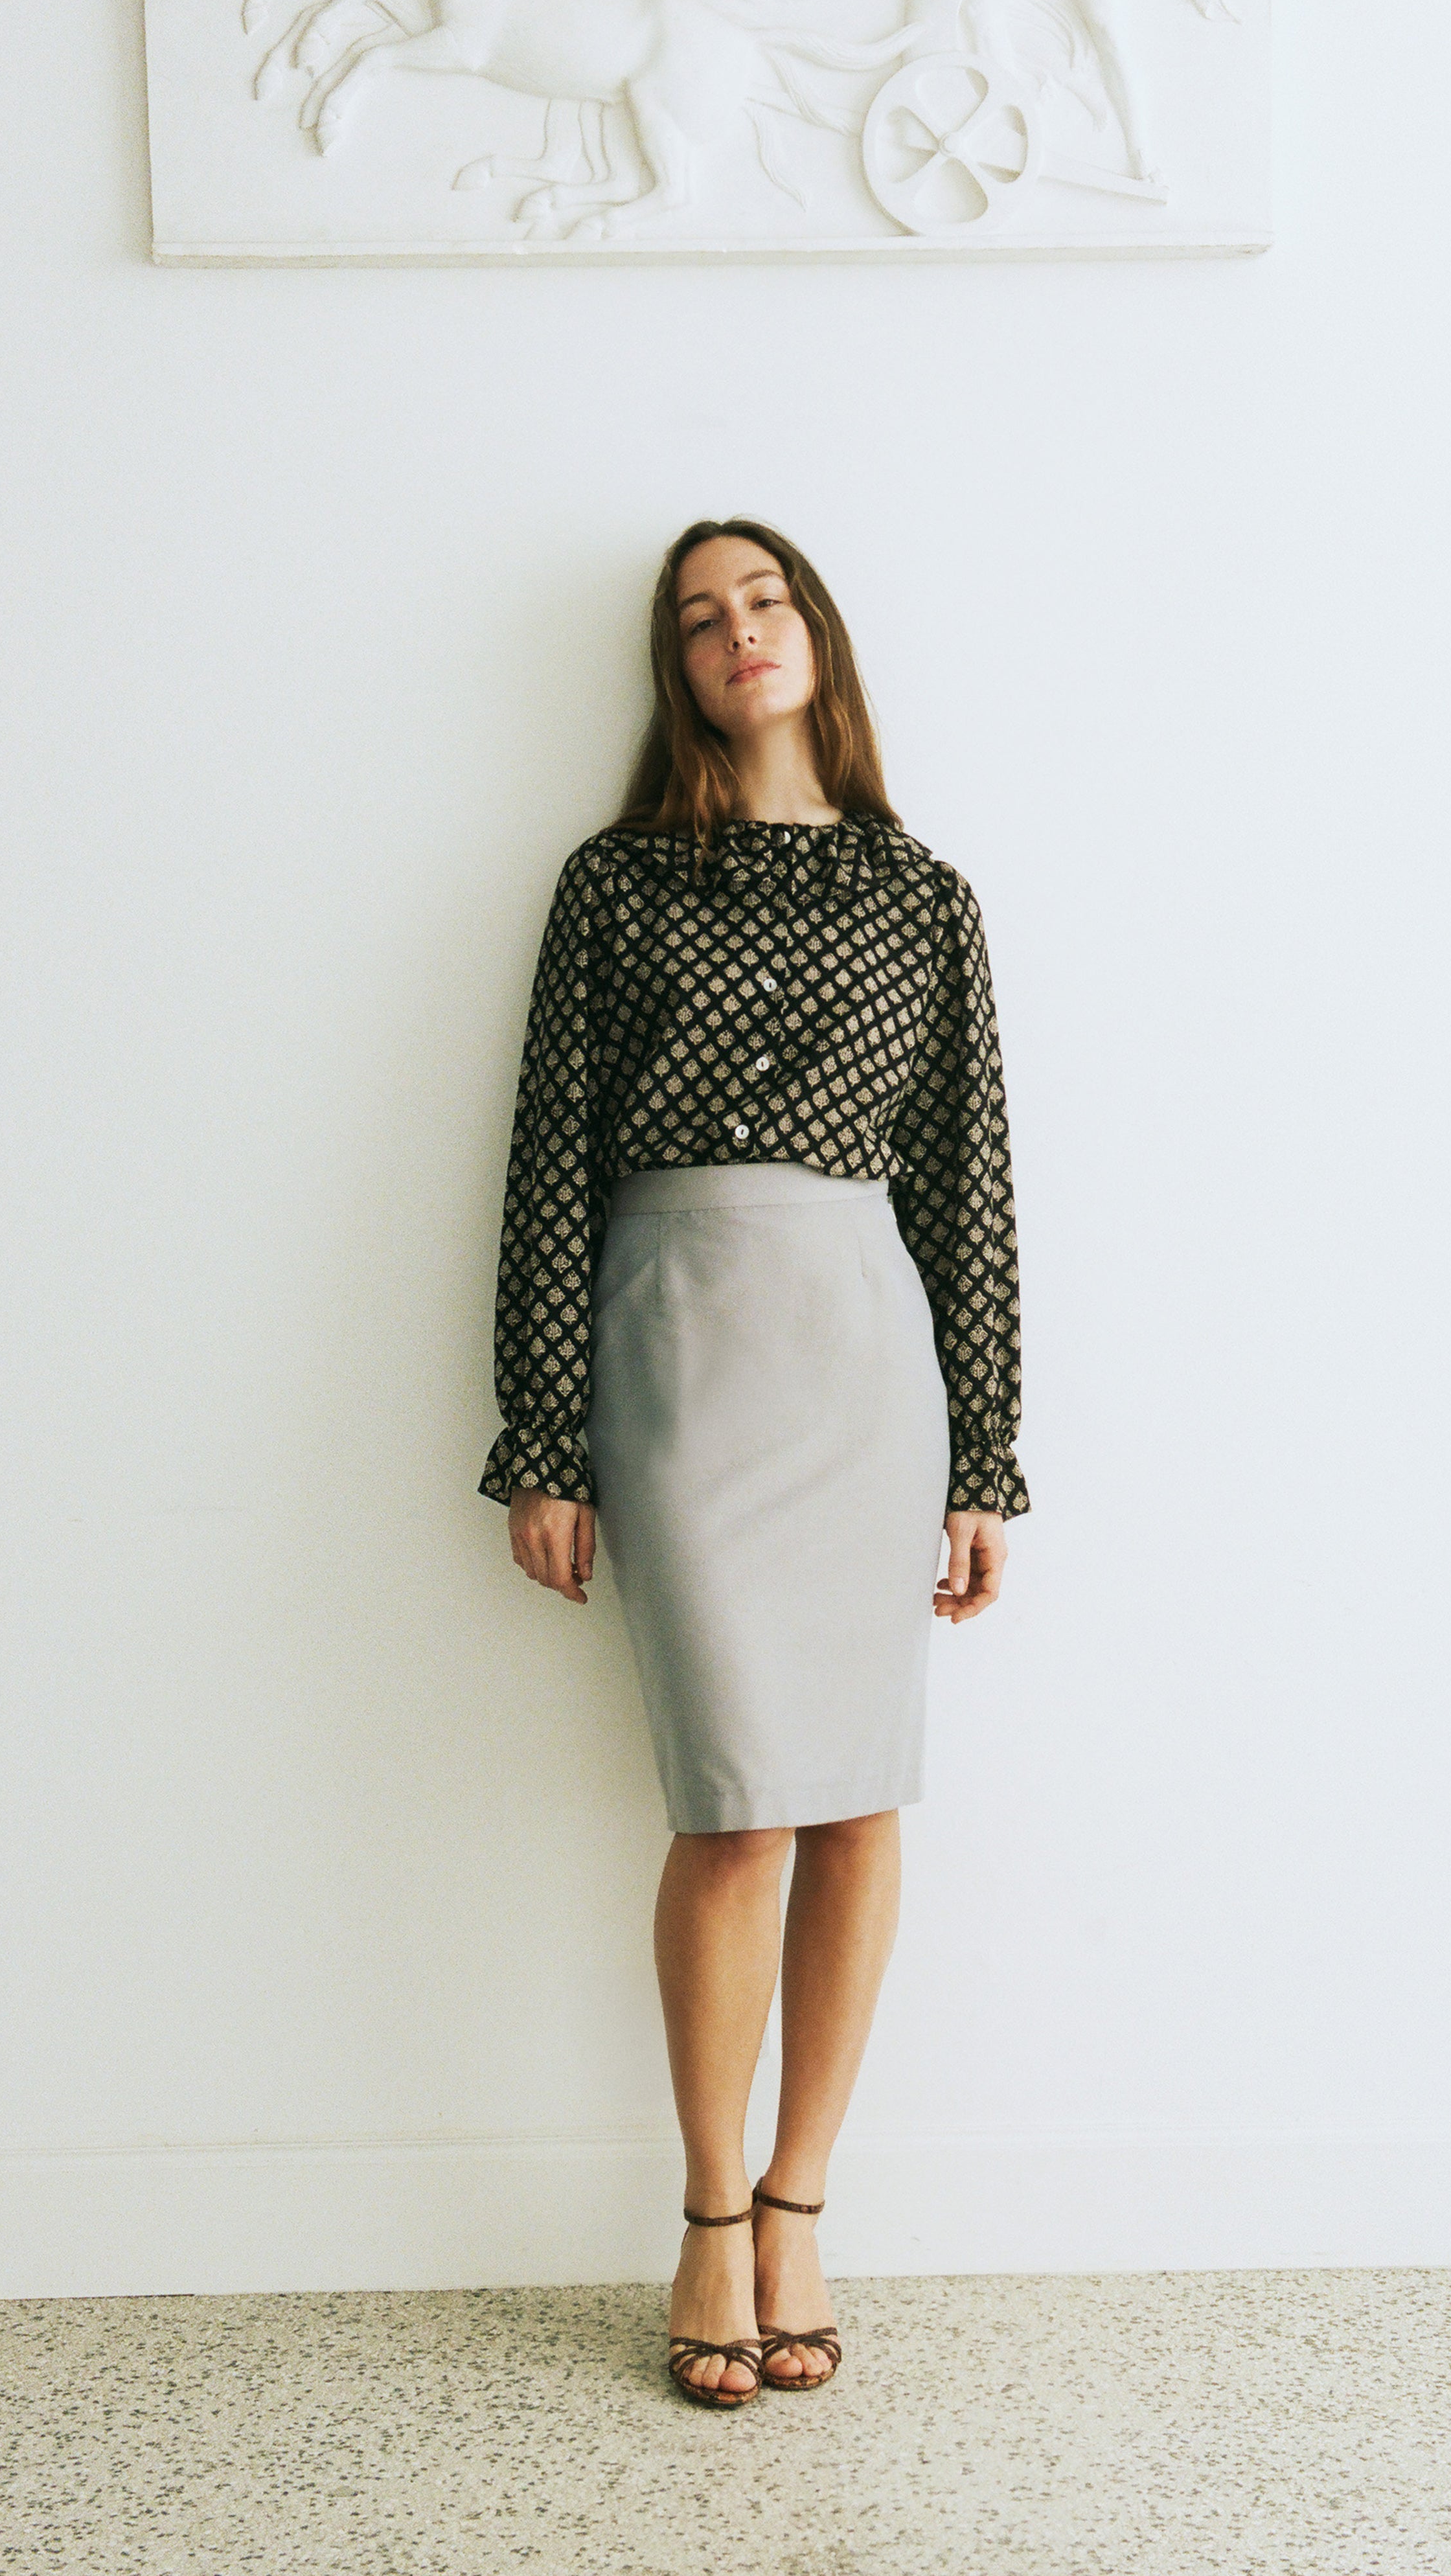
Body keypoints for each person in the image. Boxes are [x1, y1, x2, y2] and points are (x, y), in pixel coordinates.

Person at [479, 517, 1029, 2407]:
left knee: (860, 1801)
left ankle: (802, 2203)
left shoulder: (923, 896)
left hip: (867, 1352)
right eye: (702, 617)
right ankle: (711, 2213)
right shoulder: (619, 883)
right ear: (678, 669)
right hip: (682, 1346)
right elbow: (552, 1161)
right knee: (735, 1808)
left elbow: (967, 1183)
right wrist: (545, 1434)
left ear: (819, 635)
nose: (739, 632)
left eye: (767, 598)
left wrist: (987, 1457)